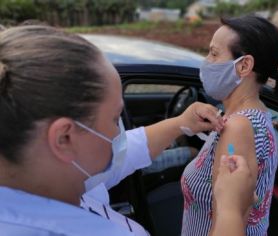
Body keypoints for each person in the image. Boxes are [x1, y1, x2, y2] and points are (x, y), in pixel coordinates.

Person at [0, 25, 254, 236]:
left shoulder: (46, 176)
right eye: (113, 119)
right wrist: (230, 208)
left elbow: (123, 154)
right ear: (64, 138)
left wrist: (179, 123)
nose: (117, 133)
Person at [181, 15, 278, 236]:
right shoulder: (252, 115)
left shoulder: (239, 127)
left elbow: (226, 224)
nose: (206, 61)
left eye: (214, 53)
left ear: (244, 65)